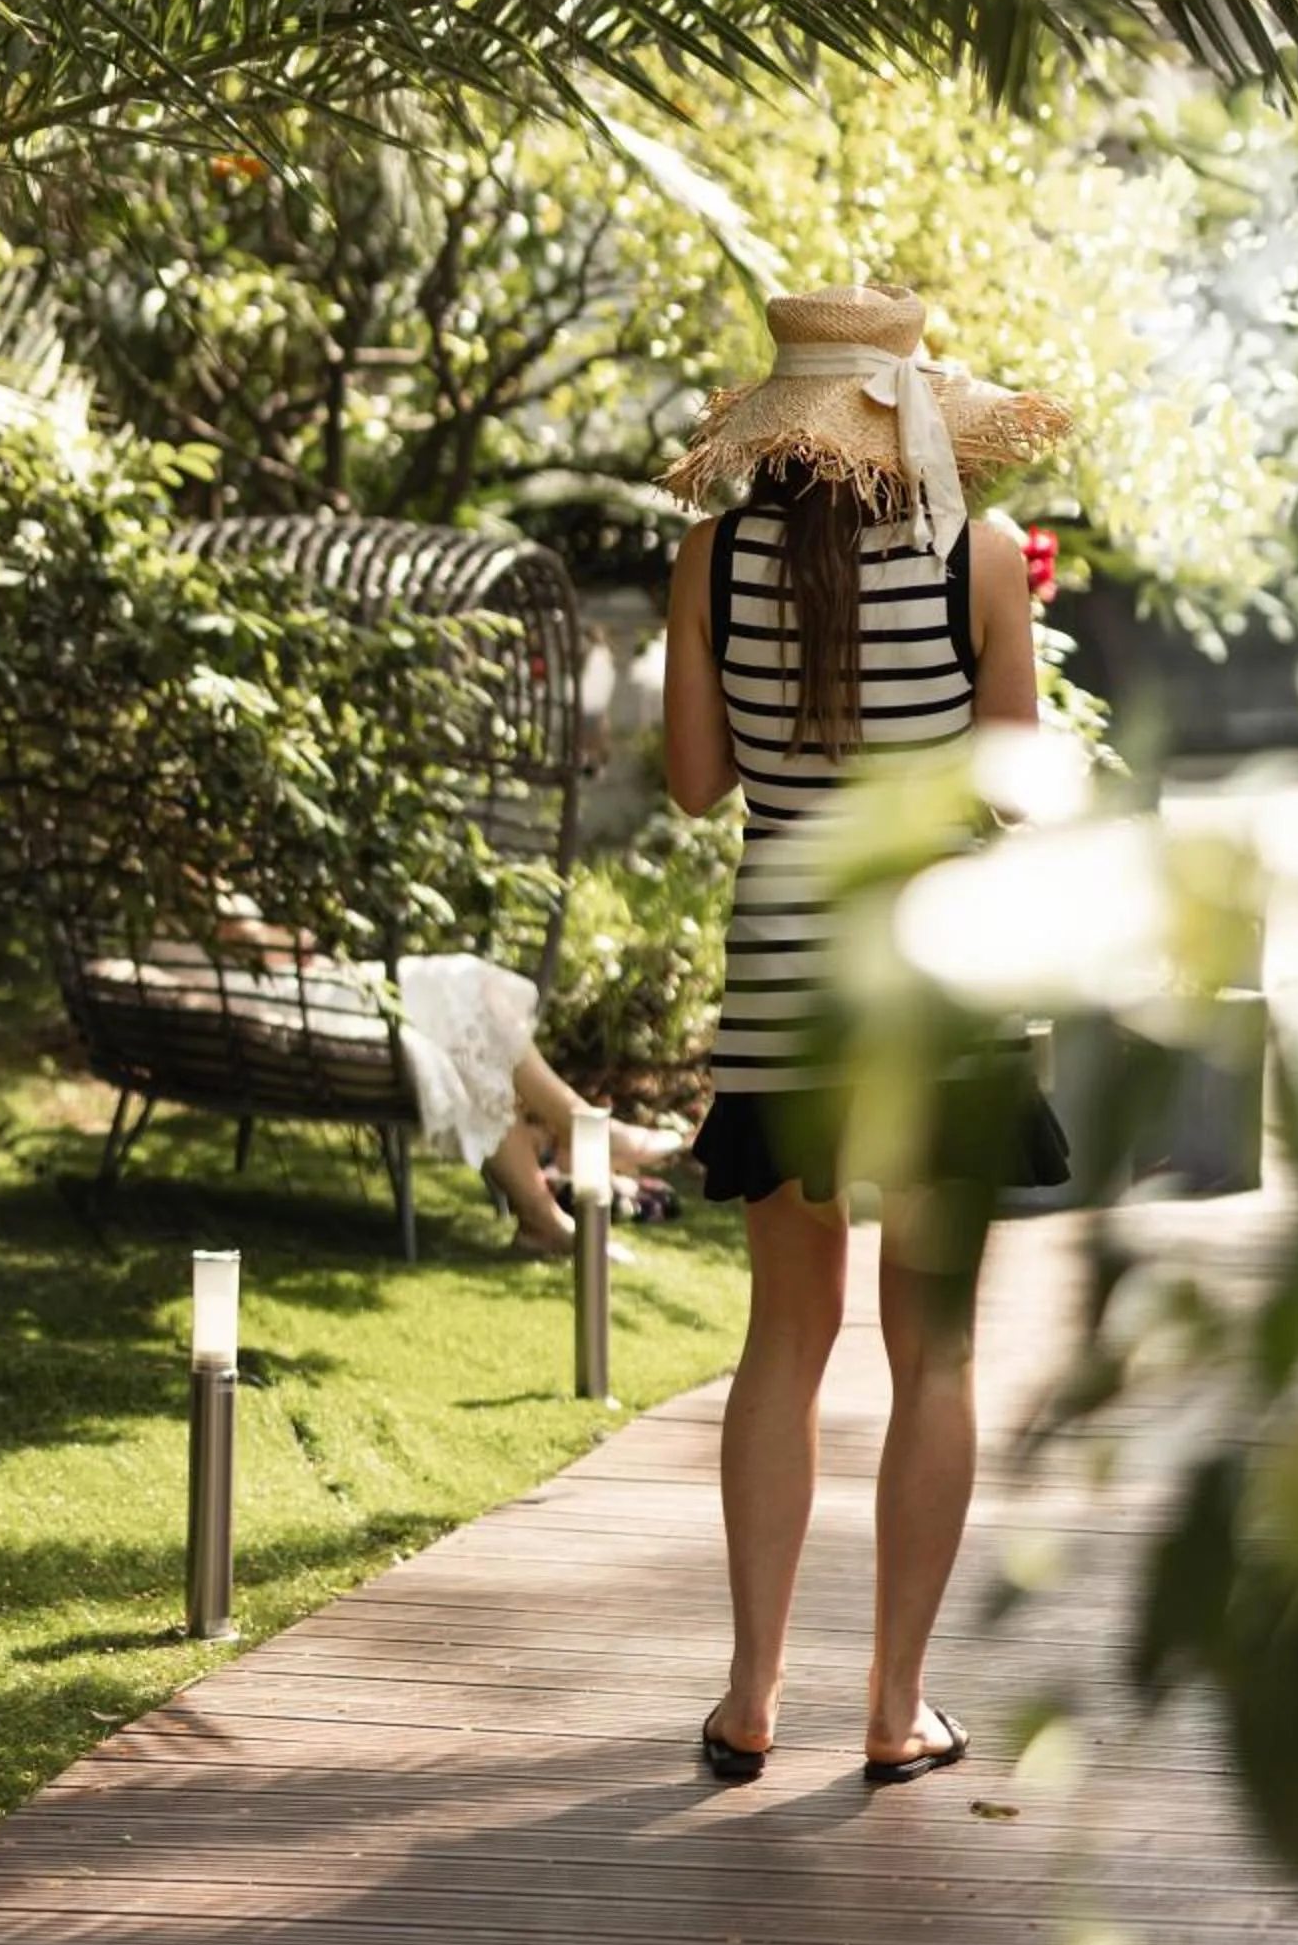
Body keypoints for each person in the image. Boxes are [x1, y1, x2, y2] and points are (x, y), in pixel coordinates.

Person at [658, 282, 1064, 1787]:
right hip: (944, 990)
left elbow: (698, 785)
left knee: (782, 1340)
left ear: (778, 426)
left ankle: (750, 1695)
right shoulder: (977, 560)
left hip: (781, 991)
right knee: (932, 1353)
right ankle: (894, 1709)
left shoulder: (711, 556)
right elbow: (1018, 788)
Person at [217, 908, 685, 1253]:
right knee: (462, 995)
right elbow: (249, 941)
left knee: (466, 996)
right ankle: (581, 1143)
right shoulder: (175, 877)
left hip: (318, 986)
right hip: (297, 995)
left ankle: (561, 1178)